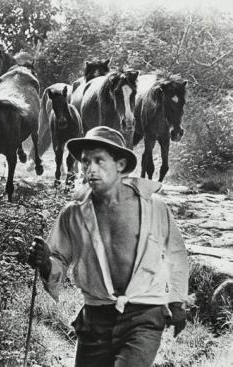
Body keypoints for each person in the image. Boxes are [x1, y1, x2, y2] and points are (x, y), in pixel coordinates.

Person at [28, 126, 189, 367]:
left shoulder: (153, 206)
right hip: (95, 317)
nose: (90, 169)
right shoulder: (73, 213)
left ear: (120, 165)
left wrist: (177, 301)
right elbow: (59, 258)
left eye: (99, 161)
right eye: (85, 162)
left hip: (144, 314)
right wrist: (44, 262)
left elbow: (176, 255)